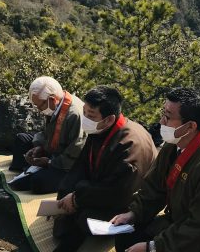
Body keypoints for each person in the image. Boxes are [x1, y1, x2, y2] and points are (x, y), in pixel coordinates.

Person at [110, 88, 200, 252]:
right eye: (163, 114)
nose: (162, 121)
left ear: (190, 126)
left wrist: (153, 247)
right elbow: (154, 188)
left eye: (169, 117)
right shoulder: (174, 144)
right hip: (177, 223)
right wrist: (134, 214)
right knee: (126, 236)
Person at [53, 85, 157, 252]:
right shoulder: (100, 129)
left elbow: (119, 192)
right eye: (84, 112)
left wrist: (77, 198)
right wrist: (66, 193)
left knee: (84, 218)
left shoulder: (131, 144)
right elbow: (81, 165)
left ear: (109, 119)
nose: (85, 118)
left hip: (126, 203)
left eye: (91, 115)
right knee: (63, 199)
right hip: (98, 187)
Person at [9, 76, 87, 194]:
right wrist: (39, 147)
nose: (39, 110)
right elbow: (46, 132)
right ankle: (29, 170)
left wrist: (50, 162)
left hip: (67, 162)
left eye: (40, 106)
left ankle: (31, 173)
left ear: (52, 99)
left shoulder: (75, 114)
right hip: (53, 149)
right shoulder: (54, 105)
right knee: (21, 139)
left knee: (38, 182)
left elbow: (76, 151)